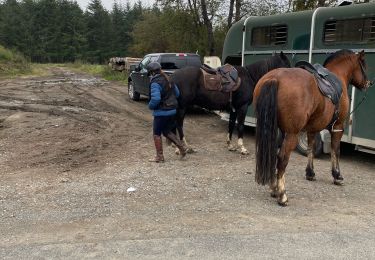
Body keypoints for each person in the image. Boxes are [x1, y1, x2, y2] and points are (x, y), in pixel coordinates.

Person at [147, 62, 187, 163]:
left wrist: (150, 106)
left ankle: (160, 157)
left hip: (161, 112)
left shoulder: (155, 82)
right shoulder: (169, 79)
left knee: (156, 133)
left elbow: (156, 99)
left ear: (151, 72)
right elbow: (177, 94)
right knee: (166, 131)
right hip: (172, 110)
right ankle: (182, 148)